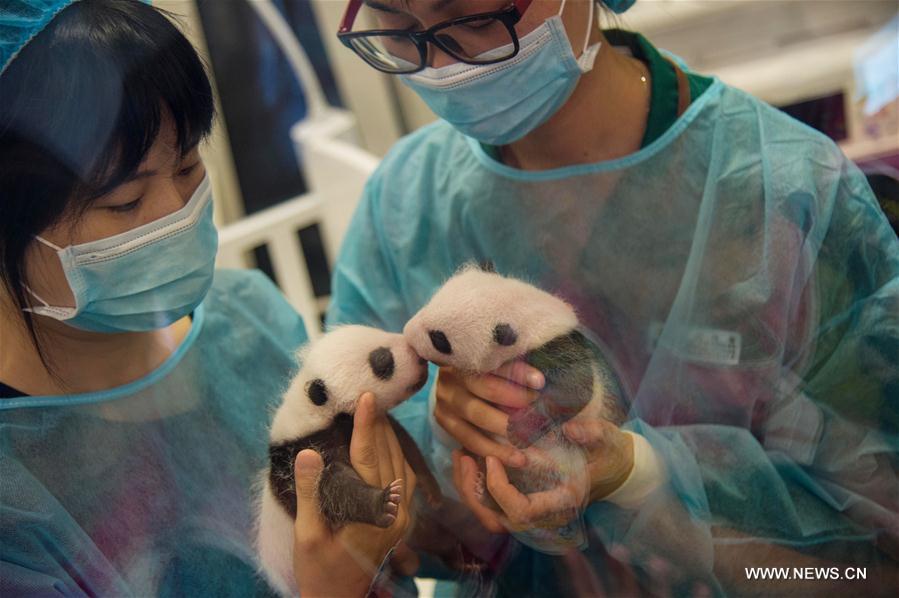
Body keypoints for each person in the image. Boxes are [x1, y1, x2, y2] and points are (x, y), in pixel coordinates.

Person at [327, 0, 899, 594]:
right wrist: (452, 458)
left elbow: (867, 569)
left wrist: (643, 482)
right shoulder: (406, 207)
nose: (442, 66)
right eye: (398, 26)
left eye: (476, 18)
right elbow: (389, 545)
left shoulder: (786, 198)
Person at [0, 1, 416, 596]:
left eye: (190, 166)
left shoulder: (247, 320)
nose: (176, 213)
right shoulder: (15, 495)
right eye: (124, 202)